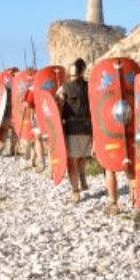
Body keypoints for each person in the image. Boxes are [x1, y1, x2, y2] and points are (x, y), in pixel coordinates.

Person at [56, 58, 93, 204]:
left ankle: (75, 192)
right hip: (87, 128)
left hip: (72, 129)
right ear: (83, 71)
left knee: (72, 161)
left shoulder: (64, 88)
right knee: (81, 156)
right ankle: (82, 177)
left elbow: (56, 106)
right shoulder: (90, 86)